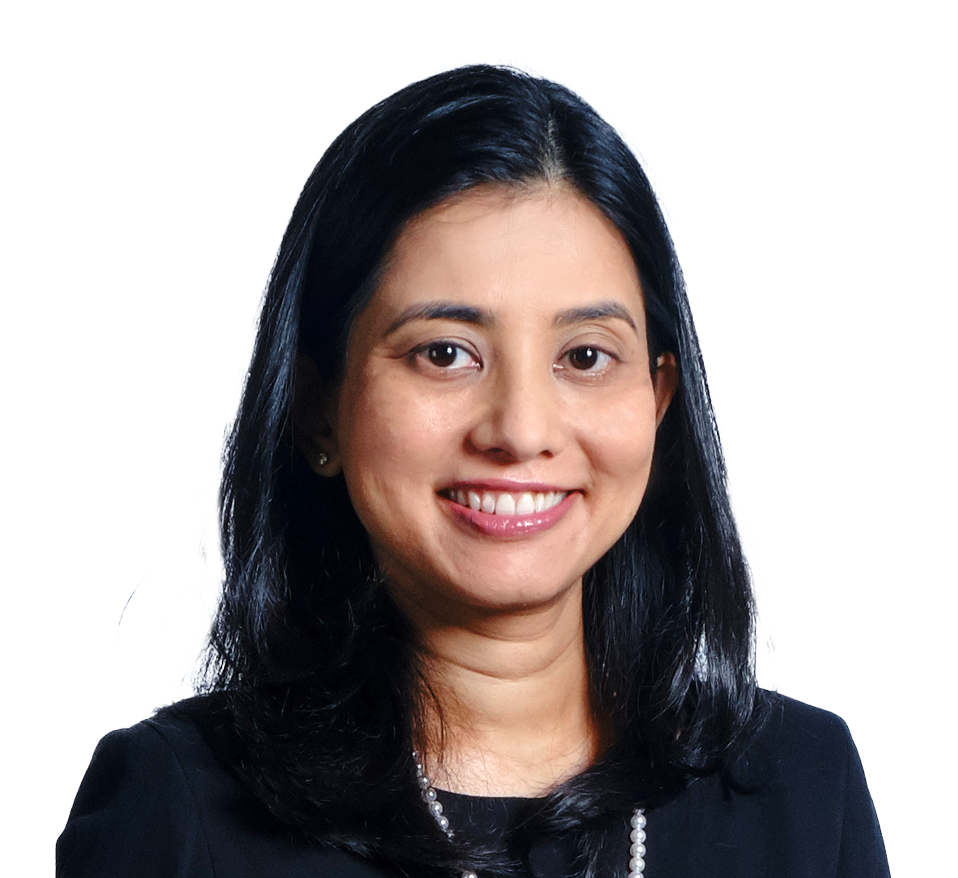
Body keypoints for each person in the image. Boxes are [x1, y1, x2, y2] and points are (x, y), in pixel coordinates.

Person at [56, 63, 890, 878]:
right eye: (445, 353)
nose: (520, 430)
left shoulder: (803, 790)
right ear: (318, 409)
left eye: (585, 356)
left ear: (658, 404)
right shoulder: (178, 806)